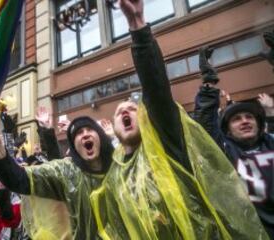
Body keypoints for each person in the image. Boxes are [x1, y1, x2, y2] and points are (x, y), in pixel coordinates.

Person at [90, 0, 268, 239]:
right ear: (113, 128)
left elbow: (156, 92)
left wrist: (138, 29)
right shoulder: (114, 176)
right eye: (119, 112)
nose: (125, 112)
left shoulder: (167, 144)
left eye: (132, 108)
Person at [0, 112, 114, 239]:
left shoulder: (120, 166)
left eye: (90, 129)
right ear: (74, 147)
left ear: (101, 138)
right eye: (78, 133)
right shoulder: (68, 172)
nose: (85, 134)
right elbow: (17, 178)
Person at [194, 47, 274, 237]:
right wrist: (209, 84)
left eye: (249, 117)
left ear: (259, 124)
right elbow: (205, 126)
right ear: (227, 130)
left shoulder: (271, 142)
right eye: (236, 119)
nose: (245, 120)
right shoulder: (224, 152)